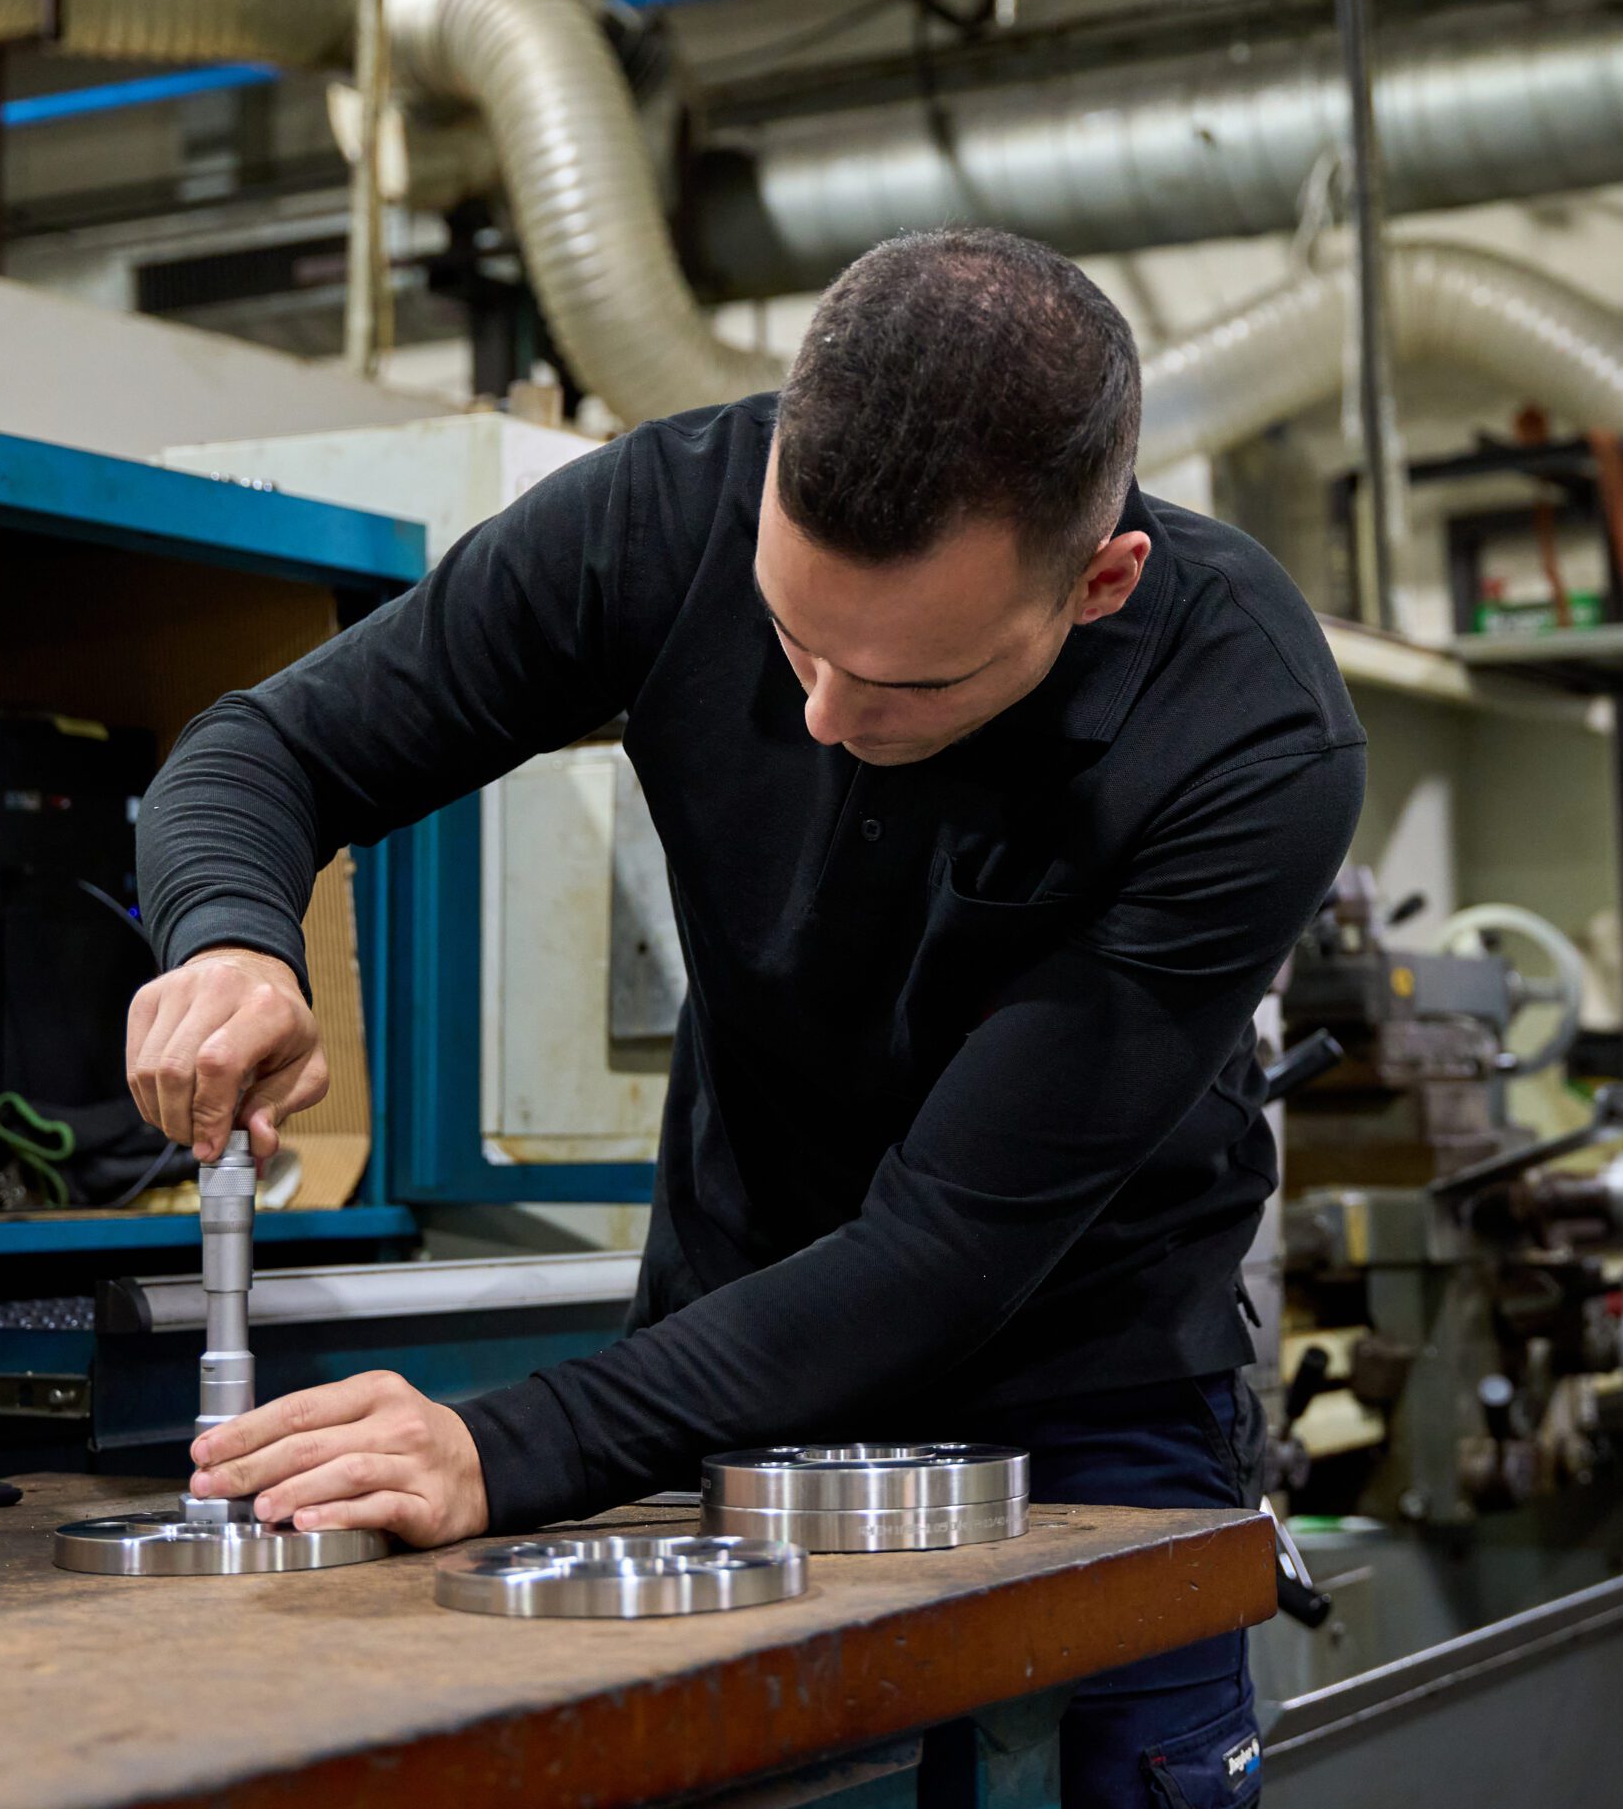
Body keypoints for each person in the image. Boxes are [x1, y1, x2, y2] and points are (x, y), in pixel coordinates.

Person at [125, 225, 1363, 1807]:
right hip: (724, 1361)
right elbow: (259, 754)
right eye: (793, 641)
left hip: (1092, 1400)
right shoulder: (669, 514)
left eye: (912, 685)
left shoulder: (1247, 731)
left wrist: (511, 1448)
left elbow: (949, 1249)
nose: (829, 719)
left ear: (1101, 582)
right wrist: (235, 940)